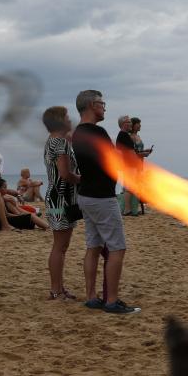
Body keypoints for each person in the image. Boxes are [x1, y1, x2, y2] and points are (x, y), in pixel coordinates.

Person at [72, 90, 140, 314]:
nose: (105, 107)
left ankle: (91, 297)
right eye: (102, 103)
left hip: (87, 195)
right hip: (102, 197)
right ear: (92, 105)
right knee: (117, 248)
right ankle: (111, 300)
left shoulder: (78, 133)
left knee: (93, 246)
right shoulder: (97, 132)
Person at [43, 106, 81, 301]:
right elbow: (65, 174)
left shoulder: (55, 141)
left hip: (57, 198)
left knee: (61, 245)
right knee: (60, 245)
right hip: (61, 198)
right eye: (66, 117)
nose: (69, 120)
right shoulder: (60, 143)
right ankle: (56, 290)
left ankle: (58, 288)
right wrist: (84, 179)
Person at [116, 115, 139, 217]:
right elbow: (129, 152)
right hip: (128, 165)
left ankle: (129, 209)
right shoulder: (123, 135)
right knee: (129, 187)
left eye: (130, 122)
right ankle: (127, 210)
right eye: (128, 122)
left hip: (127, 165)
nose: (131, 124)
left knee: (129, 187)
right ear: (123, 124)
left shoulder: (124, 135)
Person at [128, 117, 152, 214]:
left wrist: (145, 151)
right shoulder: (130, 137)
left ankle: (138, 207)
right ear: (133, 125)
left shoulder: (138, 136)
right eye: (138, 123)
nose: (140, 125)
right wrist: (143, 153)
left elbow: (139, 150)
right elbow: (133, 152)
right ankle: (132, 208)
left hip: (140, 162)